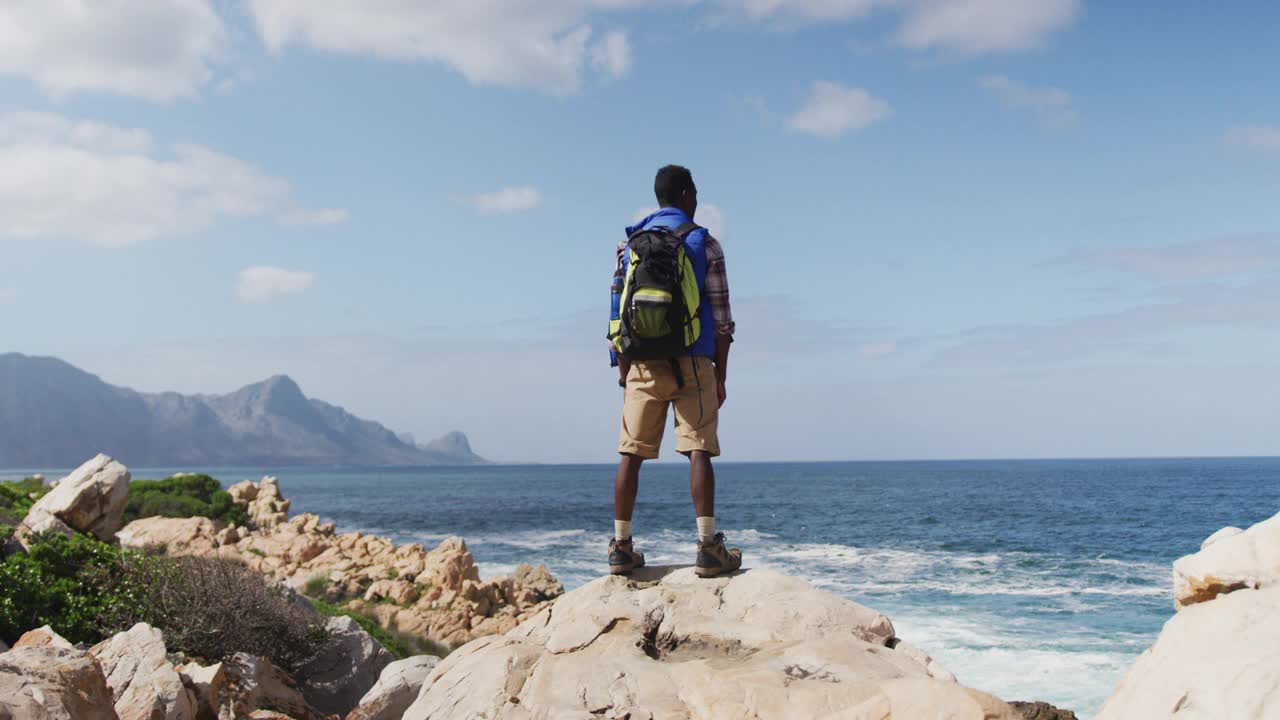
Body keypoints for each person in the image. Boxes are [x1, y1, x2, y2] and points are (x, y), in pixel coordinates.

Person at [606, 165, 742, 578]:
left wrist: (623, 369)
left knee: (631, 453)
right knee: (698, 448)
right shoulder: (706, 244)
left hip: (642, 362)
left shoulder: (630, 245)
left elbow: (617, 311)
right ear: (685, 196)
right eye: (695, 195)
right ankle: (707, 548)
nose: (697, 201)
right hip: (693, 362)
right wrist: (719, 375)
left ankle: (621, 547)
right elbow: (722, 319)